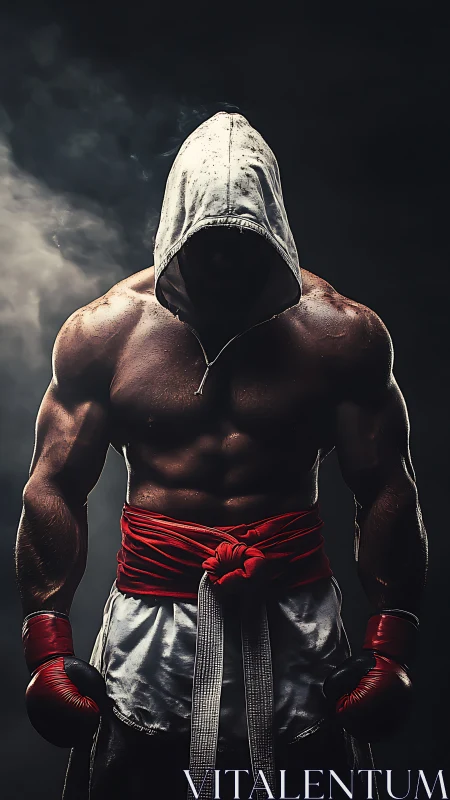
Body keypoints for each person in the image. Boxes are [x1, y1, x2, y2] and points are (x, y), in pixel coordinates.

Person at [15, 112, 428, 800]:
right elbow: (52, 486)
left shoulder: (343, 335)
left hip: (291, 608)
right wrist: (47, 646)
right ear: (177, 230)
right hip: (153, 614)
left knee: (305, 777)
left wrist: (391, 644)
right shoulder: (106, 332)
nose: (224, 262)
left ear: (274, 232)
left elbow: (387, 487)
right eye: (208, 243)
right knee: (135, 779)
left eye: (243, 244)